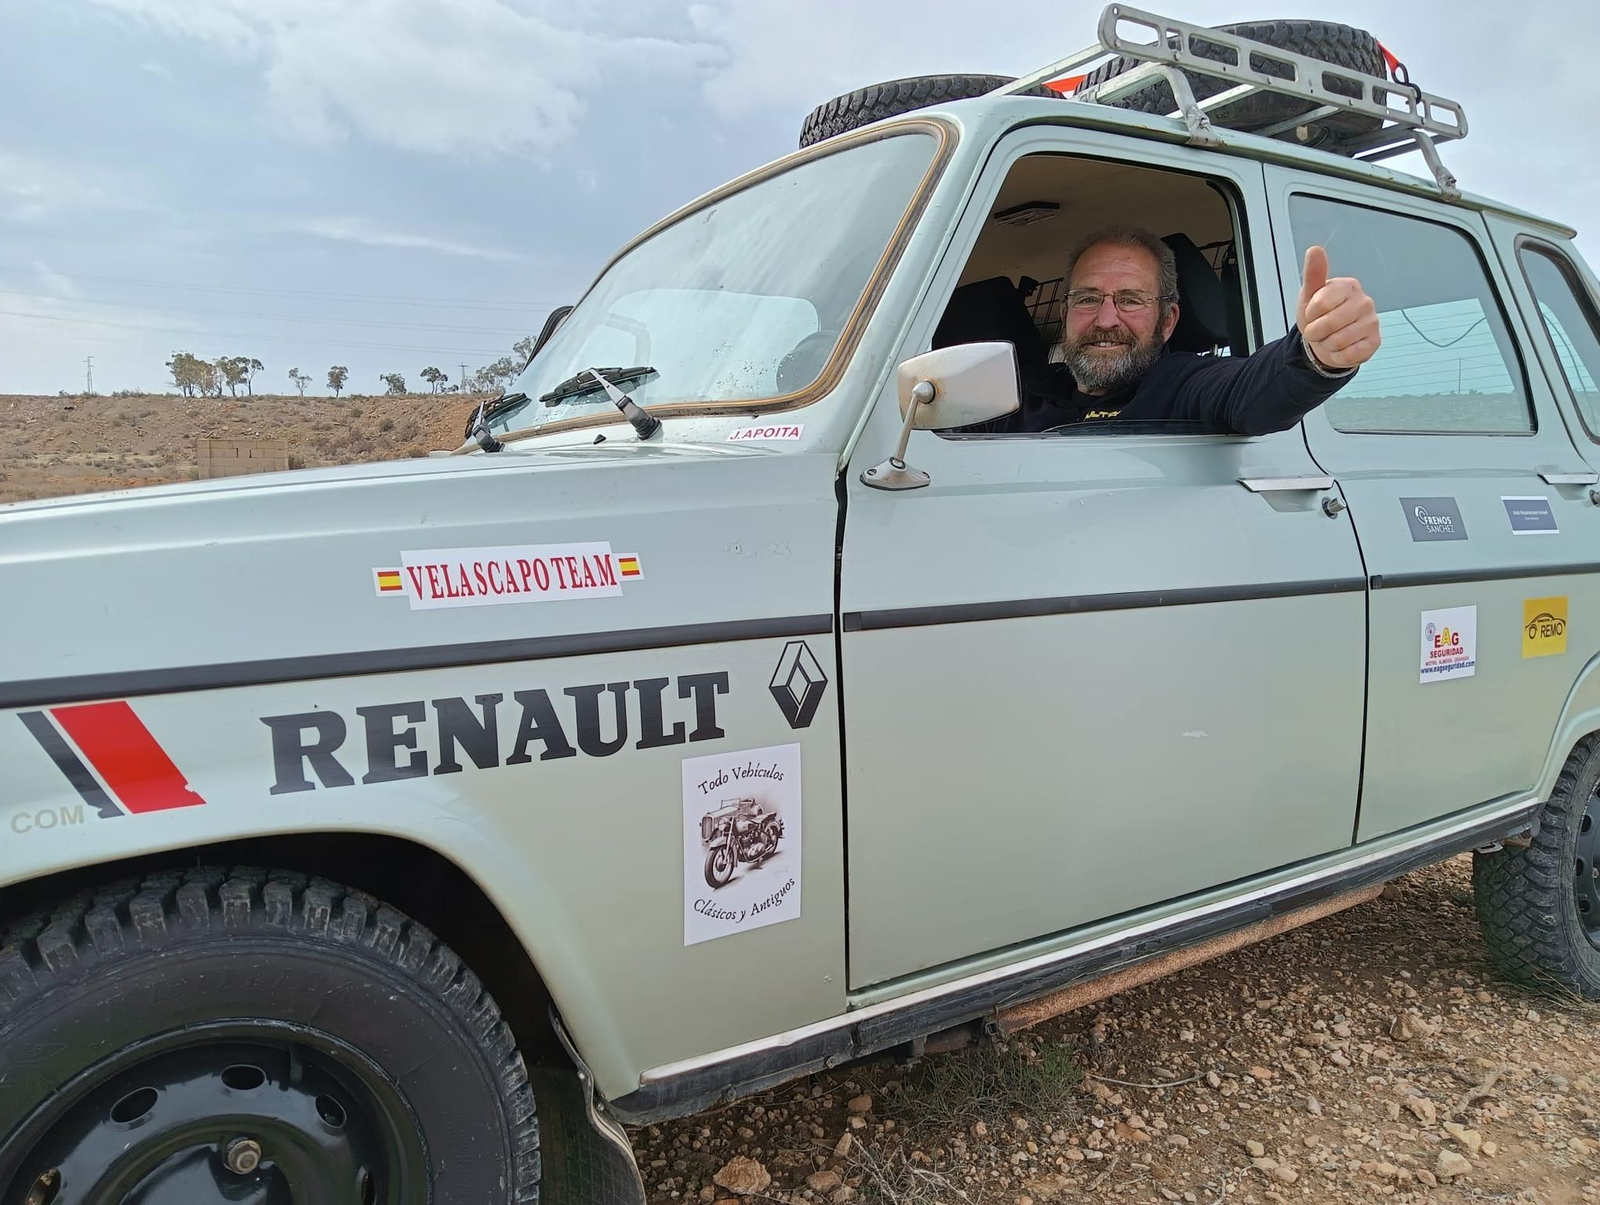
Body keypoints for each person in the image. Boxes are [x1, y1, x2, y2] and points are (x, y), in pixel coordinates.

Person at [970, 224, 1380, 435]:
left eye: (1130, 300)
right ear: (1066, 312)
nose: (1106, 319)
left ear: (1167, 322)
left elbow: (1252, 390)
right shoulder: (1017, 401)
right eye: (1088, 299)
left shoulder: (1185, 386)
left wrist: (1314, 355)